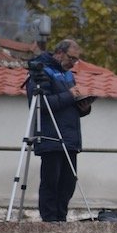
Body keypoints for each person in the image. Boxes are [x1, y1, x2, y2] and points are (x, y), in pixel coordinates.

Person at [25, 39, 91, 222]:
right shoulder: (41, 72)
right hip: (51, 136)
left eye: (76, 60)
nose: (73, 63)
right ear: (59, 53)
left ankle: (61, 217)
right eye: (71, 58)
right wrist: (69, 95)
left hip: (70, 138)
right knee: (51, 181)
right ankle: (49, 219)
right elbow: (40, 104)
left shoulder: (69, 75)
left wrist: (83, 107)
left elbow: (69, 103)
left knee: (68, 183)